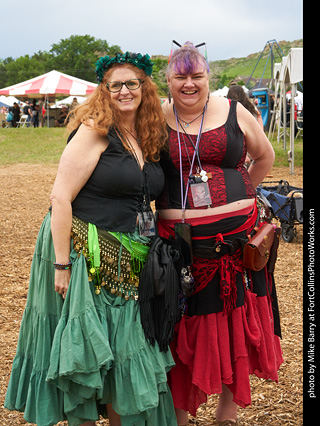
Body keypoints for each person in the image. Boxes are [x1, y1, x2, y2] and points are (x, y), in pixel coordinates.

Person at [4, 51, 178, 426]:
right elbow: (60, 197)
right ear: (104, 90)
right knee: (85, 350)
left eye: (132, 83)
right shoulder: (95, 130)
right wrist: (62, 265)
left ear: (145, 87)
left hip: (128, 250)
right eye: (115, 85)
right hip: (83, 251)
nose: (124, 91)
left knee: (123, 345)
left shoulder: (148, 132)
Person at [155, 42, 283, 426]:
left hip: (237, 244)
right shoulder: (154, 116)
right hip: (180, 249)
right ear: (169, 80)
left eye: (197, 76)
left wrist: (243, 197)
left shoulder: (234, 111)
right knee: (179, 327)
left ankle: (225, 414)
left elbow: (265, 157)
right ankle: (178, 414)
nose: (189, 84)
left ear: (210, 77)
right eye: (181, 77)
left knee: (237, 321)